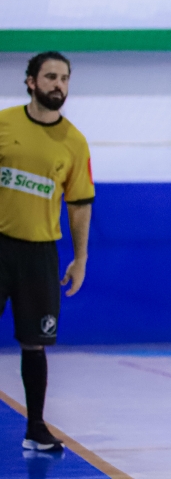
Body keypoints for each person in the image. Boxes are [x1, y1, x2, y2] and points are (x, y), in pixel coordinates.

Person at [0, 52, 94, 452]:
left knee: (35, 343)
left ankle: (35, 428)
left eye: (64, 78)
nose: (59, 84)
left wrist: (80, 258)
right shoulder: (4, 124)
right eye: (51, 76)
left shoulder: (74, 141)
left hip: (40, 254)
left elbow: (80, 203)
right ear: (31, 82)